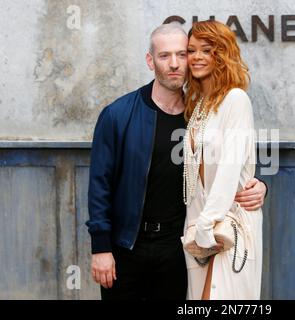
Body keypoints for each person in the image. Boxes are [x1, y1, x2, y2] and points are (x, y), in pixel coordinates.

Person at [86, 23, 267, 300]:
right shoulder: (118, 115)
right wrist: (101, 248)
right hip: (127, 248)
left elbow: (225, 162)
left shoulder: (200, 114)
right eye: (164, 56)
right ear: (150, 60)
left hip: (180, 247)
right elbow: (100, 185)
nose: (175, 64)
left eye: (182, 54)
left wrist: (259, 185)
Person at [182, 21, 262, 300]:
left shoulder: (236, 100)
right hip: (199, 229)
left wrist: (206, 224)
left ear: (222, 54)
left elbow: (230, 169)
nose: (197, 57)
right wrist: (198, 227)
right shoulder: (199, 105)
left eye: (207, 49)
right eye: (191, 50)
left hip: (229, 226)